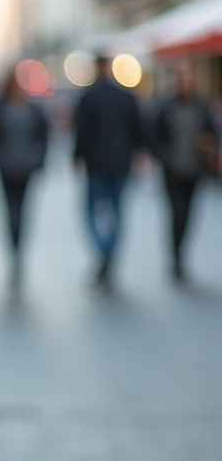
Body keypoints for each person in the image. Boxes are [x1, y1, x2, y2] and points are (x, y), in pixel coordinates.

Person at [73, 54, 146, 290]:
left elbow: (81, 132)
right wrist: (140, 154)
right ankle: (109, 252)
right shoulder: (126, 96)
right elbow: (139, 129)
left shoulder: (88, 97)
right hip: (121, 162)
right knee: (116, 210)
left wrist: (76, 157)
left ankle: (104, 251)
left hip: (97, 163)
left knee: (92, 211)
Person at [152, 65, 219, 282]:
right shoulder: (167, 107)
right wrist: (165, 157)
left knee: (188, 216)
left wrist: (211, 151)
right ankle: (176, 258)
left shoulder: (201, 106)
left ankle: (181, 254)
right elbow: (155, 136)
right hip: (173, 171)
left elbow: (211, 134)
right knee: (177, 214)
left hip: (194, 170)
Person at [0, 71, 50, 287]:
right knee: (10, 209)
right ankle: (13, 247)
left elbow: (44, 137)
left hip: (26, 168)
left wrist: (38, 160)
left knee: (23, 209)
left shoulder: (34, 112)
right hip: (6, 168)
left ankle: (19, 246)